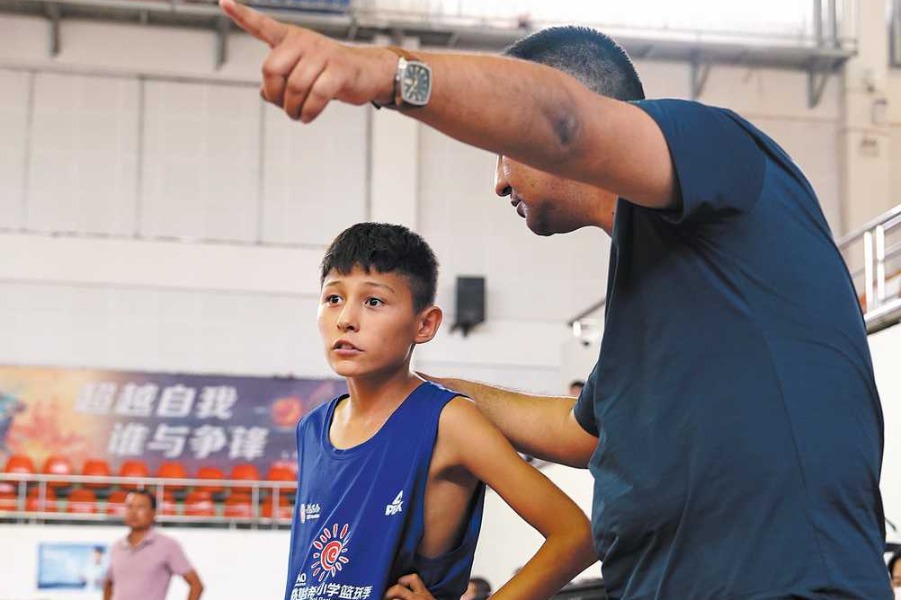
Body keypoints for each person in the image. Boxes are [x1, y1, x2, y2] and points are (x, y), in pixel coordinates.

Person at [219, 2, 890, 598]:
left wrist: (387, 74)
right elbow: (581, 432)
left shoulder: (719, 148)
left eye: (504, 149)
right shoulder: (651, 287)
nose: (497, 181)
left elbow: (562, 121)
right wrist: (420, 390)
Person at [283, 223, 594, 600]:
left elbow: (576, 536)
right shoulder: (312, 427)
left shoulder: (449, 420)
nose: (346, 318)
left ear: (425, 324)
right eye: (333, 298)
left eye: (373, 301)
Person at [103, 490, 204, 600]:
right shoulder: (117, 547)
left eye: (141, 507)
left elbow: (196, 585)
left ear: (153, 513)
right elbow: (108, 584)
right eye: (129, 507)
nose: (133, 512)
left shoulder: (167, 545)